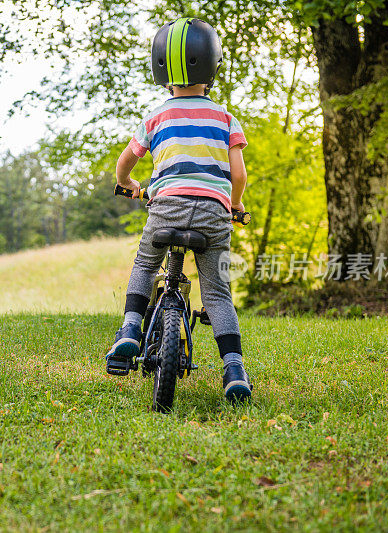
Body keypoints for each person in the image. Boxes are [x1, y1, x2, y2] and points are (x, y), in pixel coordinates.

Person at [105, 17, 252, 402]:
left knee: (144, 264)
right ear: (213, 67)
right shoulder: (225, 118)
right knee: (218, 293)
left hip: (165, 207)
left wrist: (128, 185)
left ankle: (130, 330)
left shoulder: (156, 117)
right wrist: (234, 205)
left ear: (161, 71)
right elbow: (238, 173)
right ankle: (234, 369)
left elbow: (125, 162)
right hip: (214, 215)